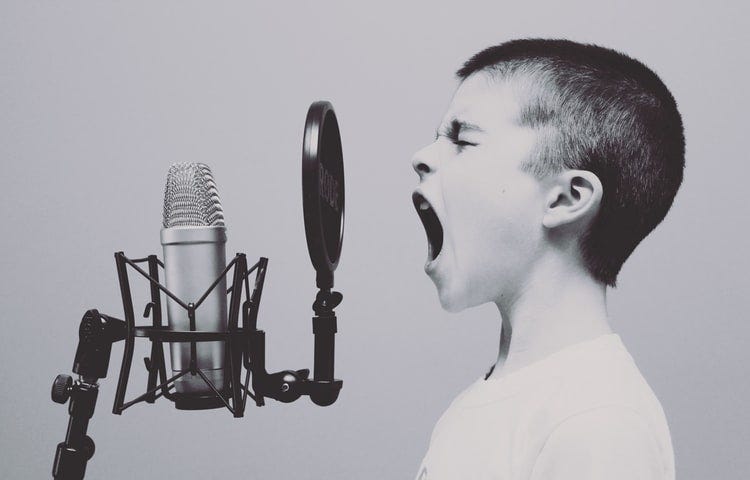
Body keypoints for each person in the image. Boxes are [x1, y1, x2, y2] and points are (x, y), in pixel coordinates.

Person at [411, 39, 683, 480]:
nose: (421, 157)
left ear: (565, 198)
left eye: (462, 139)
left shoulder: (598, 423)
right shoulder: (481, 405)